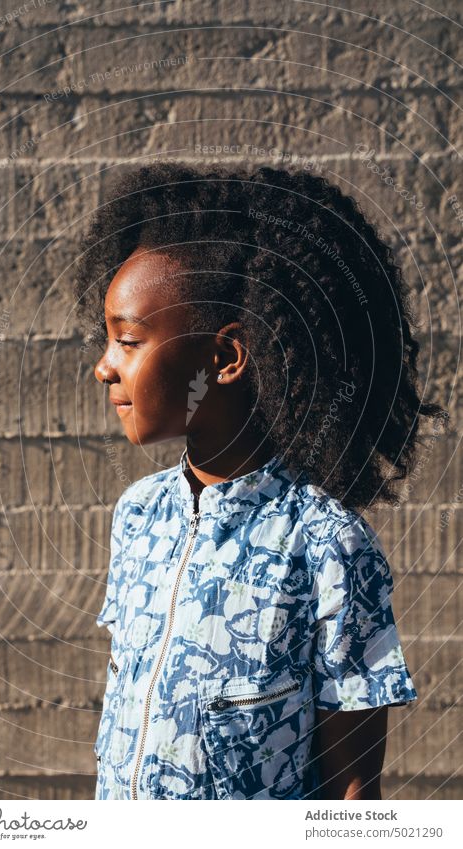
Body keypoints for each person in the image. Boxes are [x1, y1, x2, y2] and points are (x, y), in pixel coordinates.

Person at [74, 161, 448, 800]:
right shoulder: (139, 515)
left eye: (128, 341)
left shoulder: (327, 546)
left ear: (225, 359)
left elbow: (353, 796)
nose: (104, 368)